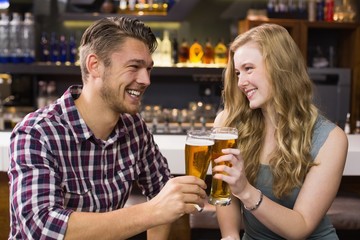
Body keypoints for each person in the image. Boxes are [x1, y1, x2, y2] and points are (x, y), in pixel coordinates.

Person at [7, 17, 207, 239]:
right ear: (95, 66)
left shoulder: (134, 129)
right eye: (134, 66)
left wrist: (161, 209)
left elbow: (163, 194)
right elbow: (43, 228)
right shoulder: (37, 133)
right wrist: (151, 212)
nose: (146, 80)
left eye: (149, 69)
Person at [212, 23, 348, 240]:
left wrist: (246, 190)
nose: (241, 82)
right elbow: (224, 192)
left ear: (279, 67)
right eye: (237, 73)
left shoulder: (331, 139)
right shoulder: (227, 123)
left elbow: (300, 227)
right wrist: (229, 236)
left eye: (249, 69)